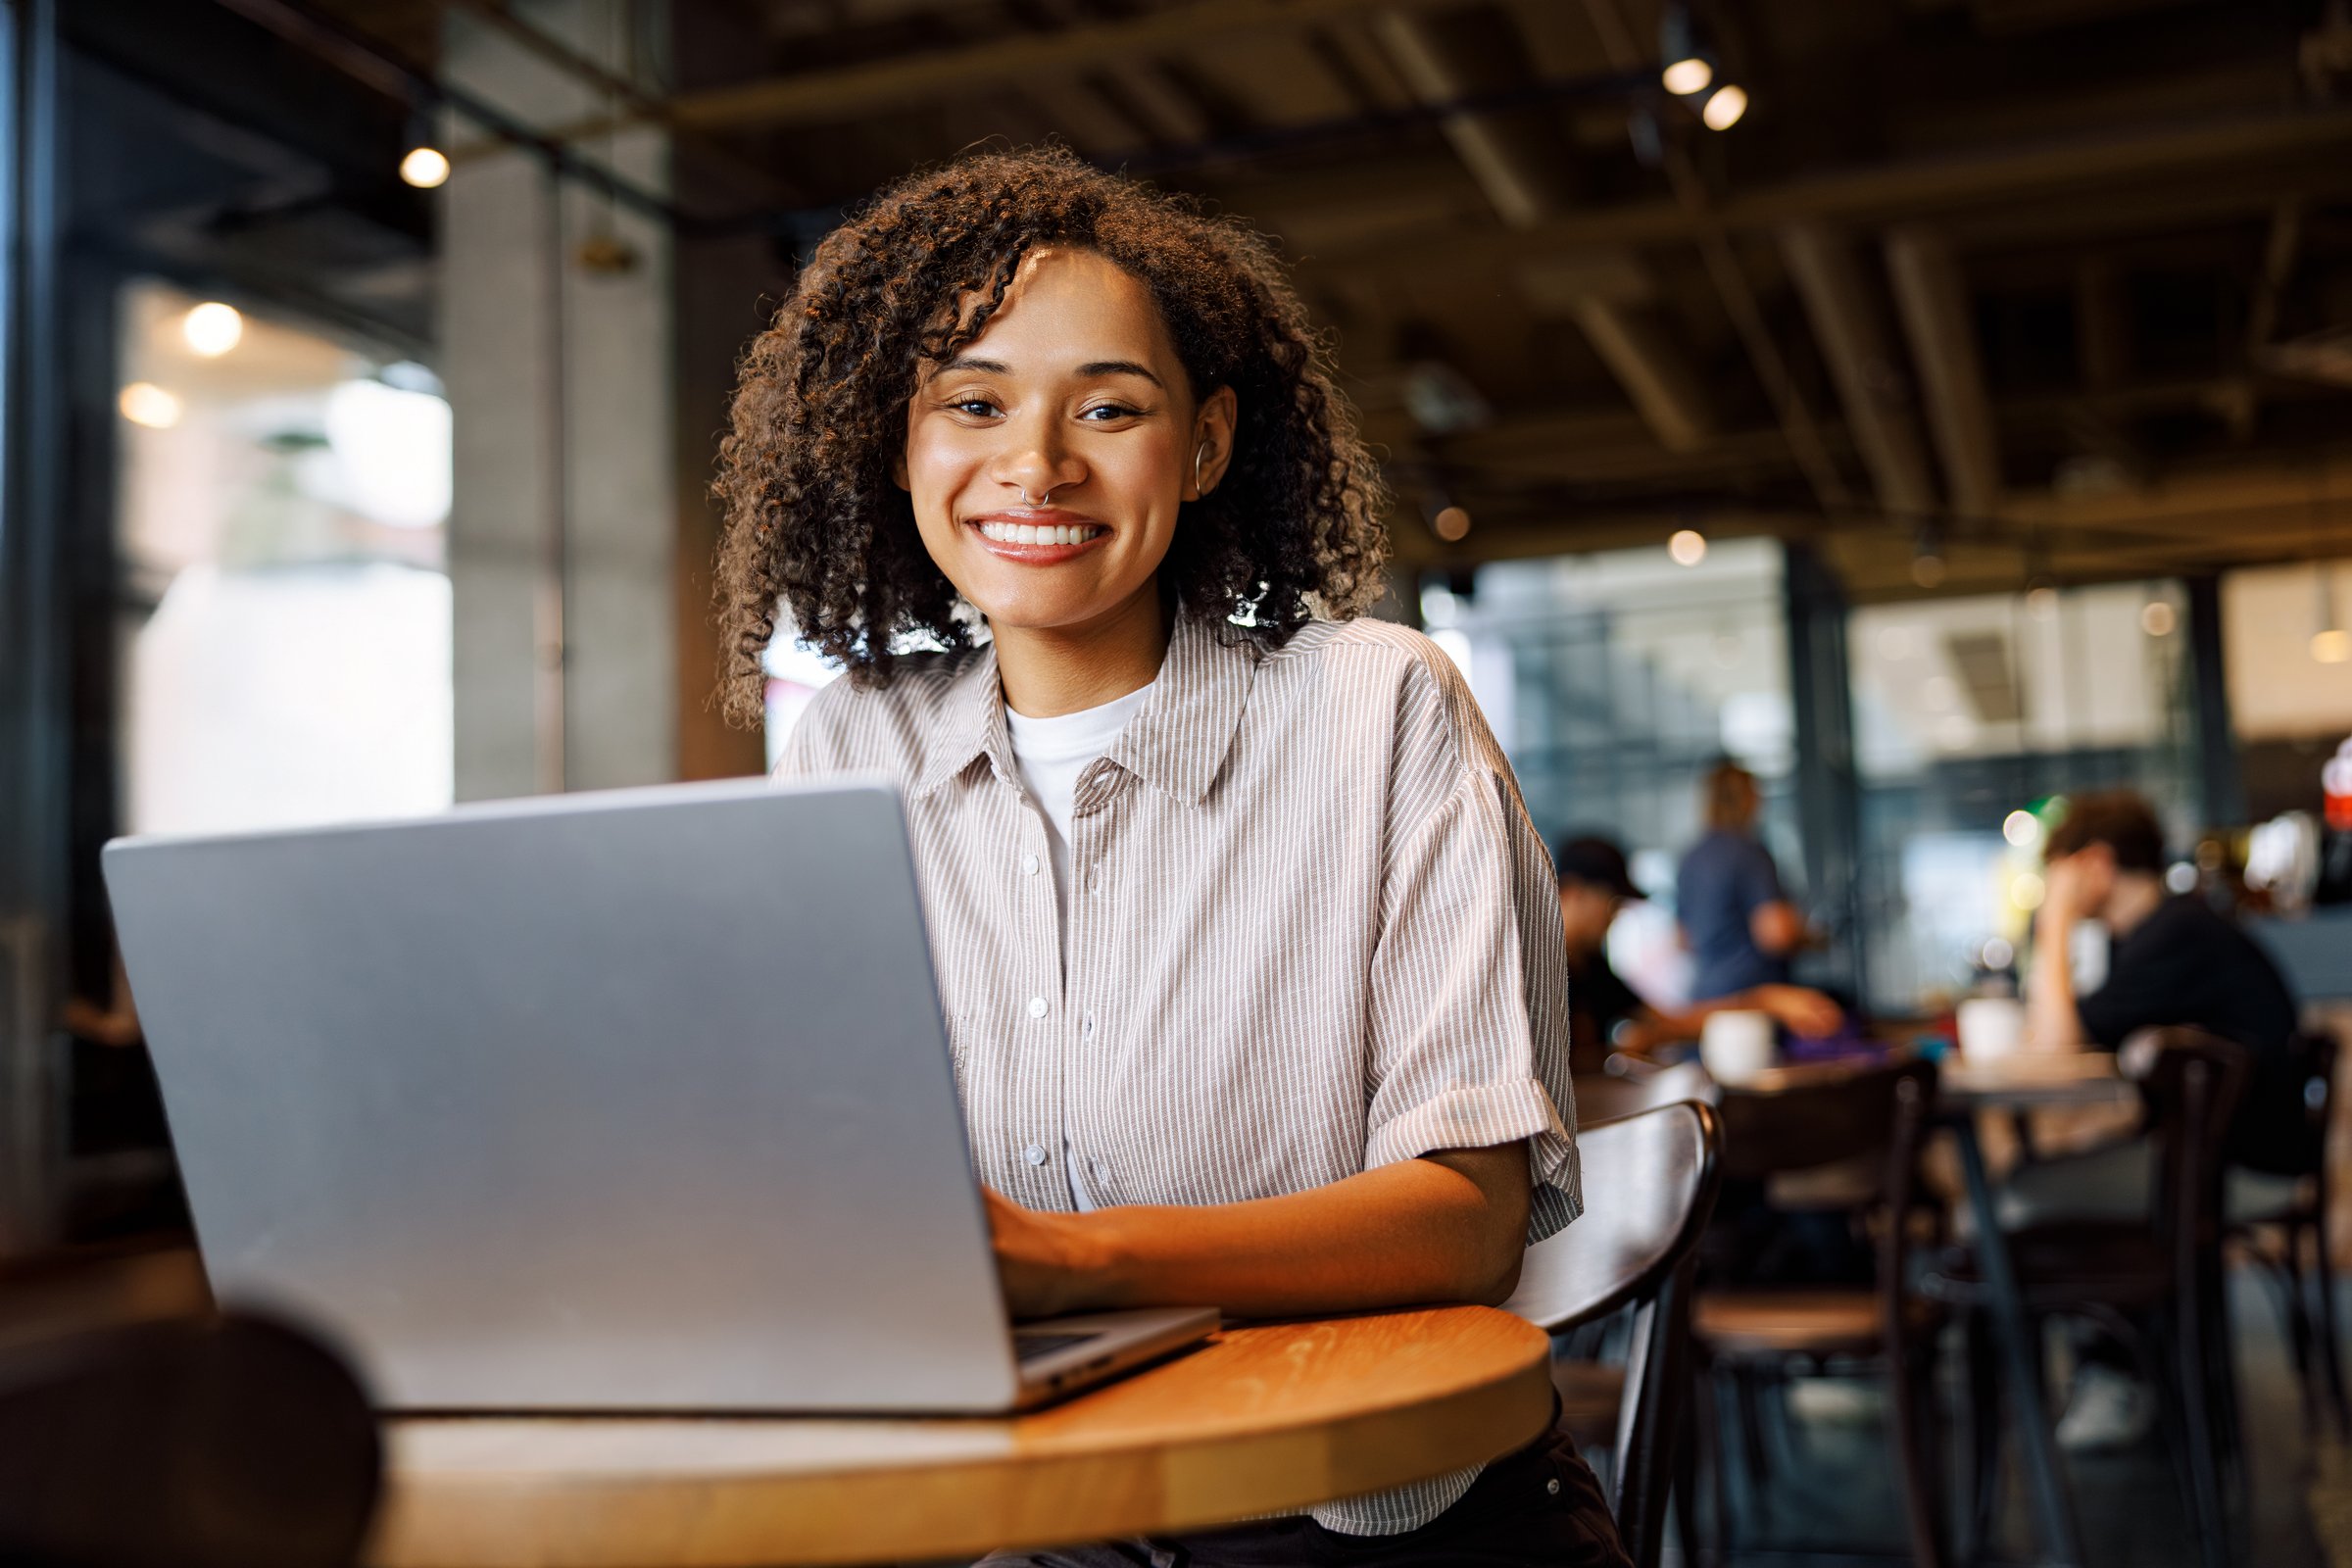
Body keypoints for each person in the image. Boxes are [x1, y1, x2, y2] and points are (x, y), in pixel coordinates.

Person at [717, 148, 1627, 1567]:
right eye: (972, 402)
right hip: (1006, 1511)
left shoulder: (1375, 707)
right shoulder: (853, 746)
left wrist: (1082, 1260)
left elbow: (1470, 1218)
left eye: (1109, 405)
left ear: (1203, 446)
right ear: (895, 444)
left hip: (1352, 1523)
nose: (1036, 462)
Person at [2013, 788, 2302, 1449]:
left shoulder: (2173, 935)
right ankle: (2128, 1363)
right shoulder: (2169, 932)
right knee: (2064, 1175)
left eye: (2057, 872)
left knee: (2023, 1194)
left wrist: (2054, 921)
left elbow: (2054, 1044)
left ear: (2095, 865)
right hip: (2225, 1152)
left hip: (2241, 1164)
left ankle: (2112, 1374)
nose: (2049, 887)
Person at [1554, 834, 1843, 1074]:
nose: (1613, 918)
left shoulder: (1591, 969)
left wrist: (1768, 1001)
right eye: (1612, 904)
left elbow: (1669, 1022)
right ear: (1574, 892)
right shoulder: (1537, 976)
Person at [1674, 761, 1807, 1001]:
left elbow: (1682, 940)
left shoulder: (1691, 857)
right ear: (1749, 799)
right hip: (1753, 996)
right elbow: (1775, 934)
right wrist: (1805, 934)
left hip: (1706, 998)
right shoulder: (1749, 852)